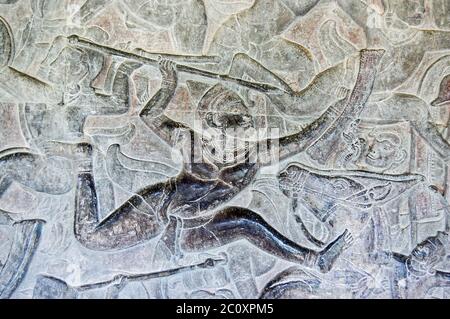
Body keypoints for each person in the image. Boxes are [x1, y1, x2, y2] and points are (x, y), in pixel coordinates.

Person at [70, 48, 387, 272]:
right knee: (90, 239)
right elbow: (149, 116)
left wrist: (338, 108)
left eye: (242, 123)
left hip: (197, 226)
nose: (238, 131)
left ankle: (313, 260)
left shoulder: (254, 157)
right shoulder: (192, 145)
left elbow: (304, 140)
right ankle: (84, 166)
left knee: (248, 224)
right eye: (230, 123)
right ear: (211, 125)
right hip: (160, 209)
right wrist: (168, 83)